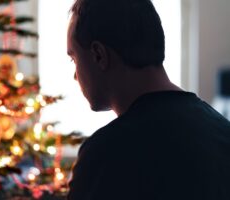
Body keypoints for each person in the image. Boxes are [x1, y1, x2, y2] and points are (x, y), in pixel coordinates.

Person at [66, 0, 230, 199]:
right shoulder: (223, 132)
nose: (75, 76)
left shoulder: (106, 156)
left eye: (73, 59)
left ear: (99, 55)